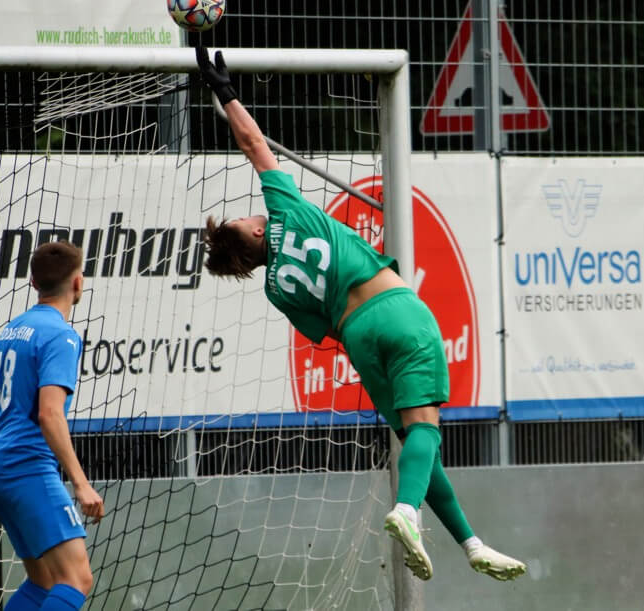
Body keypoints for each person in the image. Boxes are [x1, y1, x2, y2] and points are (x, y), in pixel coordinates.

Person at [196, 47, 526, 582]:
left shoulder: (276, 289)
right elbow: (253, 143)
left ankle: (470, 542)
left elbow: (321, 327)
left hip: (357, 339)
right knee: (426, 430)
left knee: (416, 440)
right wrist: (225, 93)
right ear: (255, 232)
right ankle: (407, 510)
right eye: (245, 215)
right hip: (396, 311)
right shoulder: (287, 210)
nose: (252, 211)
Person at [0, 241, 104, 610]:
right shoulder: (61, 336)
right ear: (77, 283)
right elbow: (50, 414)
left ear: (33, 282)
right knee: (77, 579)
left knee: (44, 581)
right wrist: (81, 485)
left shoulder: (14, 330)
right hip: (25, 465)